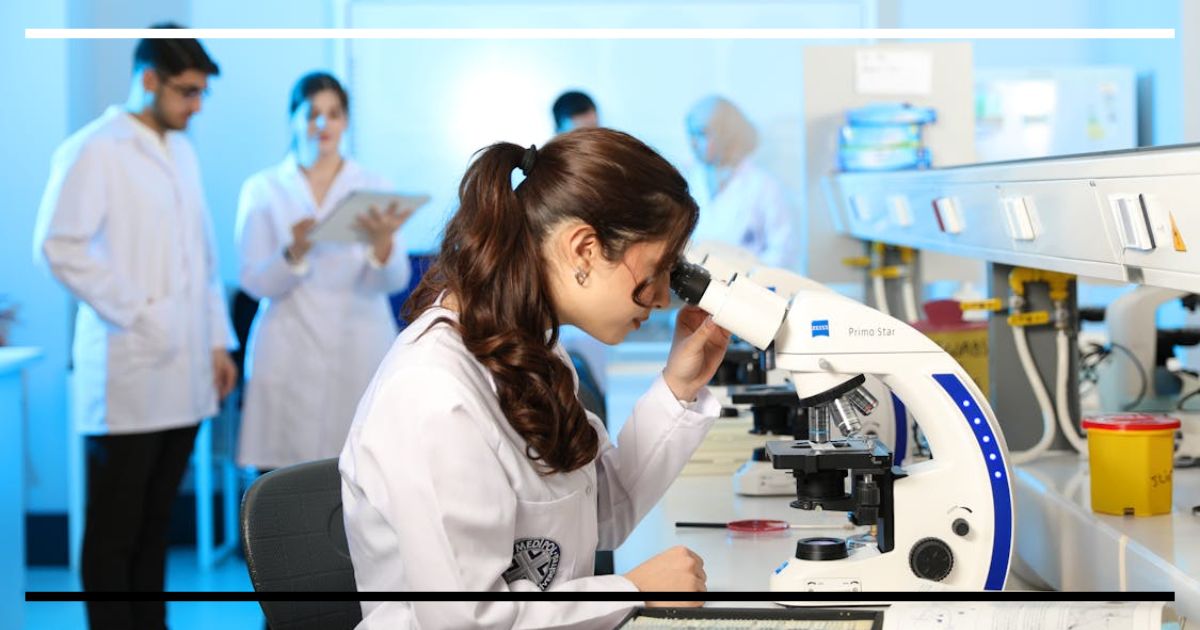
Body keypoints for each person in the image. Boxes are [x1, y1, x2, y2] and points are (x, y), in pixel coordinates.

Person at [340, 128, 732, 628]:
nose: (660, 299)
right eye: (655, 271)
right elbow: (466, 620)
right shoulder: (433, 392)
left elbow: (595, 512)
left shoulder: (529, 348)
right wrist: (631, 591)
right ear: (584, 249)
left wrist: (679, 385)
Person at [32, 25, 237, 630]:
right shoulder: (95, 149)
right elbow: (57, 245)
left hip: (186, 367)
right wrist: (140, 310)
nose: (196, 106)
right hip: (129, 366)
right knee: (114, 530)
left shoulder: (182, 151)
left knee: (155, 525)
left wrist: (218, 341)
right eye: (187, 92)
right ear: (148, 79)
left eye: (201, 93)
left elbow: (202, 258)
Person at [235, 71, 412, 472]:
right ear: (293, 119)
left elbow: (395, 279)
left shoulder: (373, 186)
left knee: (362, 471)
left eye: (333, 114)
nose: (322, 124)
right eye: (312, 113)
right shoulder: (263, 189)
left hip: (358, 341)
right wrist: (295, 251)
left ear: (345, 121)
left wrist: (381, 246)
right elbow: (254, 281)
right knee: (283, 481)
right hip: (288, 344)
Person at [684, 95, 793, 268]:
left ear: (726, 134)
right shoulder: (687, 181)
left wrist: (751, 276)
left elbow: (782, 251)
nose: (693, 143)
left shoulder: (763, 186)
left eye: (702, 134)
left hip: (746, 282)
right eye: (691, 134)